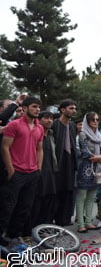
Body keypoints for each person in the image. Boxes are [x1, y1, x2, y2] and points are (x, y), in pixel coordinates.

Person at [0, 96, 43, 247]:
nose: (37, 109)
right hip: (16, 172)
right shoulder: (14, 125)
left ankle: (14, 235)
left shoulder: (40, 127)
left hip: (32, 173)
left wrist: (39, 168)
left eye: (38, 107)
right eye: (33, 106)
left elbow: (39, 149)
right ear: (24, 108)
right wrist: (10, 168)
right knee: (7, 206)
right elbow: (5, 147)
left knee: (25, 207)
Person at [25, 110, 57, 234]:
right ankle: (31, 230)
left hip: (50, 172)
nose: (49, 120)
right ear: (39, 119)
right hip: (36, 171)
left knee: (49, 200)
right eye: (46, 118)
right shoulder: (35, 135)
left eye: (51, 118)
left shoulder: (50, 135)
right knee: (35, 202)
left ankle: (44, 227)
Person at [75, 112, 101, 233]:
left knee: (92, 195)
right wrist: (97, 157)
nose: (95, 122)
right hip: (85, 167)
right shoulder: (83, 134)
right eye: (92, 119)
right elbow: (84, 151)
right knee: (82, 195)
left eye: (97, 119)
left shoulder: (98, 135)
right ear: (87, 121)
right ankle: (80, 224)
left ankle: (88, 222)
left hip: (96, 166)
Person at [51, 99, 78, 226]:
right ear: (62, 110)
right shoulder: (55, 124)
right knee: (57, 190)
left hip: (70, 160)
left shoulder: (72, 126)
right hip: (57, 161)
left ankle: (65, 218)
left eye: (74, 108)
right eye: (71, 108)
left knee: (69, 189)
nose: (74, 111)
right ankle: (54, 217)